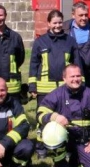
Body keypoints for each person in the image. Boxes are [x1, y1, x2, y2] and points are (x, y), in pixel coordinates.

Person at [37, 64, 90, 167]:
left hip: (84, 140)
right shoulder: (56, 94)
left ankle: (77, 159)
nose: (75, 79)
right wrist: (54, 117)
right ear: (64, 78)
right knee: (52, 129)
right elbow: (40, 113)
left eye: (78, 76)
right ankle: (59, 164)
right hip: (64, 140)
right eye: (72, 76)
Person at [29, 9, 78, 157]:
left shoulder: (70, 41)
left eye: (59, 23)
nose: (57, 25)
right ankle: (41, 146)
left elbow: (76, 64)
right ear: (48, 23)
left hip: (65, 88)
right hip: (44, 88)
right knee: (43, 117)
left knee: (65, 116)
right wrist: (33, 86)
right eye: (54, 23)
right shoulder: (40, 41)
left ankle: (64, 144)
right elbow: (33, 65)